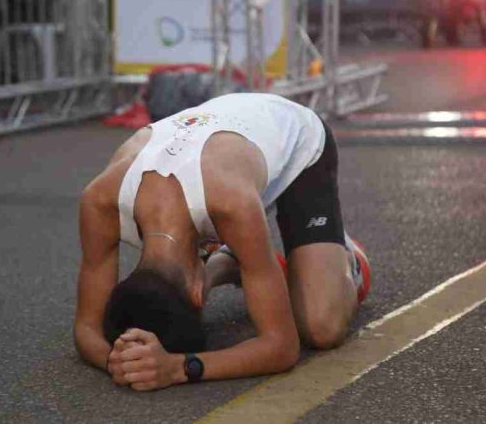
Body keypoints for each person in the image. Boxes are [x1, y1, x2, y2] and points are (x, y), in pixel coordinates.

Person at [74, 93, 371, 391]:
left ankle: (346, 259)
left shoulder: (231, 204)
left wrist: (178, 368)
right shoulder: (99, 200)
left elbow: (282, 347)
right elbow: (86, 328)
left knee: (322, 327)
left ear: (198, 292)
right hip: (225, 141)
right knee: (243, 261)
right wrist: (117, 362)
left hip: (295, 137)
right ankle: (237, 259)